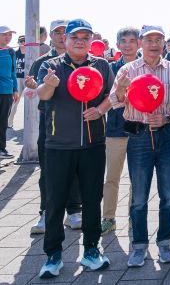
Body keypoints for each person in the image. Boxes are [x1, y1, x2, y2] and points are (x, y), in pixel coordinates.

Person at [36, 19, 113, 279]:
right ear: (65, 40)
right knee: (55, 201)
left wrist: (100, 110)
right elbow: (43, 95)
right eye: (75, 37)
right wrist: (50, 84)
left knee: (92, 200)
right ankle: (53, 255)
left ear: (91, 40)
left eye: (85, 37)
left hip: (93, 144)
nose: (80, 41)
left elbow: (113, 96)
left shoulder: (101, 64)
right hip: (58, 145)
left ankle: (91, 250)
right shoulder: (51, 65)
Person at [109, 26, 170, 267]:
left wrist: (167, 118)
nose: (154, 44)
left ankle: (164, 243)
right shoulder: (127, 70)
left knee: (169, 196)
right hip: (139, 138)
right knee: (139, 197)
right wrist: (121, 88)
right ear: (141, 43)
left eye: (158, 39)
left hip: (168, 136)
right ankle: (139, 246)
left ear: (163, 43)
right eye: (149, 39)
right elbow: (114, 103)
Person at [26, 20, 82, 235]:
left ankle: (74, 211)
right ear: (50, 35)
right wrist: (34, 86)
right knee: (48, 169)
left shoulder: (81, 59)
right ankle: (45, 211)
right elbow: (35, 89)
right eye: (56, 33)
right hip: (49, 122)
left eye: (63, 32)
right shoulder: (42, 61)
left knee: (76, 169)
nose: (60, 36)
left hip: (75, 121)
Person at [100, 27, 140, 235]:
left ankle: (135, 217)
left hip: (139, 130)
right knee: (112, 177)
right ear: (117, 45)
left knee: (137, 178)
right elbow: (106, 97)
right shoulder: (109, 68)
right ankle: (108, 217)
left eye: (132, 40)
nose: (127, 44)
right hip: (115, 129)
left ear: (138, 44)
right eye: (123, 41)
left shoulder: (145, 67)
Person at [0, 26, 20, 159]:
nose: (8, 37)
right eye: (4, 35)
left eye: (9, 35)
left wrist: (15, 89)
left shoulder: (11, 52)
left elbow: (13, 72)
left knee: (2, 122)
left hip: (6, 92)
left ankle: (1, 150)